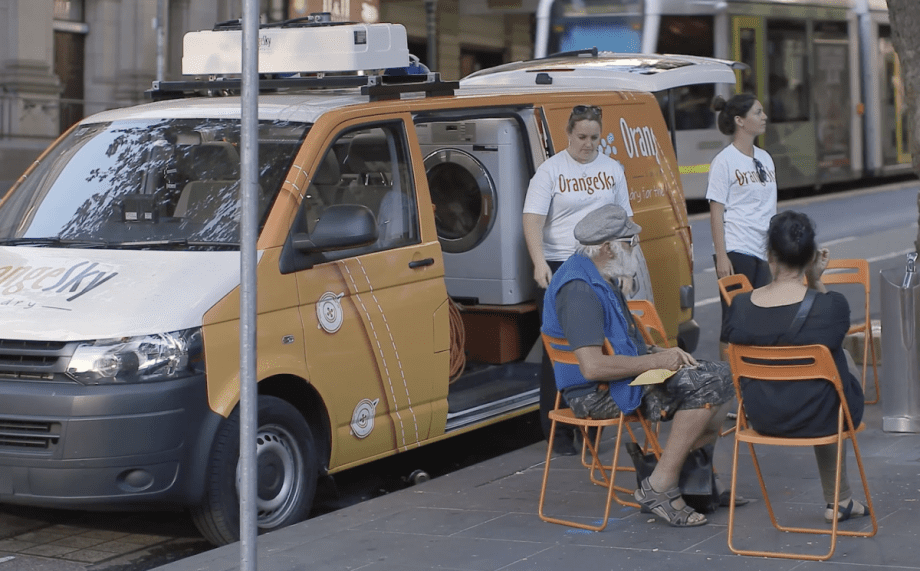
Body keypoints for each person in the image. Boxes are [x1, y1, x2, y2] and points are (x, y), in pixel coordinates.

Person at [543, 204, 736, 527]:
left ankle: (692, 479)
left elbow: (622, 341)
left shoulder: (598, 275)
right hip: (593, 394)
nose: (636, 249)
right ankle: (661, 485)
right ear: (606, 248)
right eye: (630, 242)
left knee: (722, 375)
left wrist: (660, 352)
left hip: (617, 377)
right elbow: (592, 368)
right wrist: (657, 360)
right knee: (704, 386)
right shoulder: (578, 289)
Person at [722, 210, 870, 523]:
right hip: (822, 419)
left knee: (827, 373)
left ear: (769, 256)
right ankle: (840, 500)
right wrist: (816, 280)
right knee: (838, 363)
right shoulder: (833, 305)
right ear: (811, 256)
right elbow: (830, 328)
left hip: (762, 418)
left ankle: (841, 500)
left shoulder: (741, 306)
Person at [523, 104, 634, 455]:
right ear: (569, 134)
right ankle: (556, 431)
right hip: (562, 266)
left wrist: (627, 269)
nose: (588, 144)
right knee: (559, 351)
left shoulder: (612, 169)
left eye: (595, 138)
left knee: (604, 347)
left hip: (602, 266)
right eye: (582, 137)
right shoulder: (550, 170)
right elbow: (532, 218)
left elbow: (625, 224)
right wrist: (539, 262)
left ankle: (594, 429)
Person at [706, 94, 777, 358]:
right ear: (740, 120)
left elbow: (770, 208)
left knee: (762, 320)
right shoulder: (724, 162)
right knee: (735, 323)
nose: (764, 117)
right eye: (758, 113)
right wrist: (722, 257)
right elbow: (716, 213)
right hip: (737, 250)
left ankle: (756, 376)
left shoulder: (766, 158)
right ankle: (730, 382)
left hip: (764, 252)